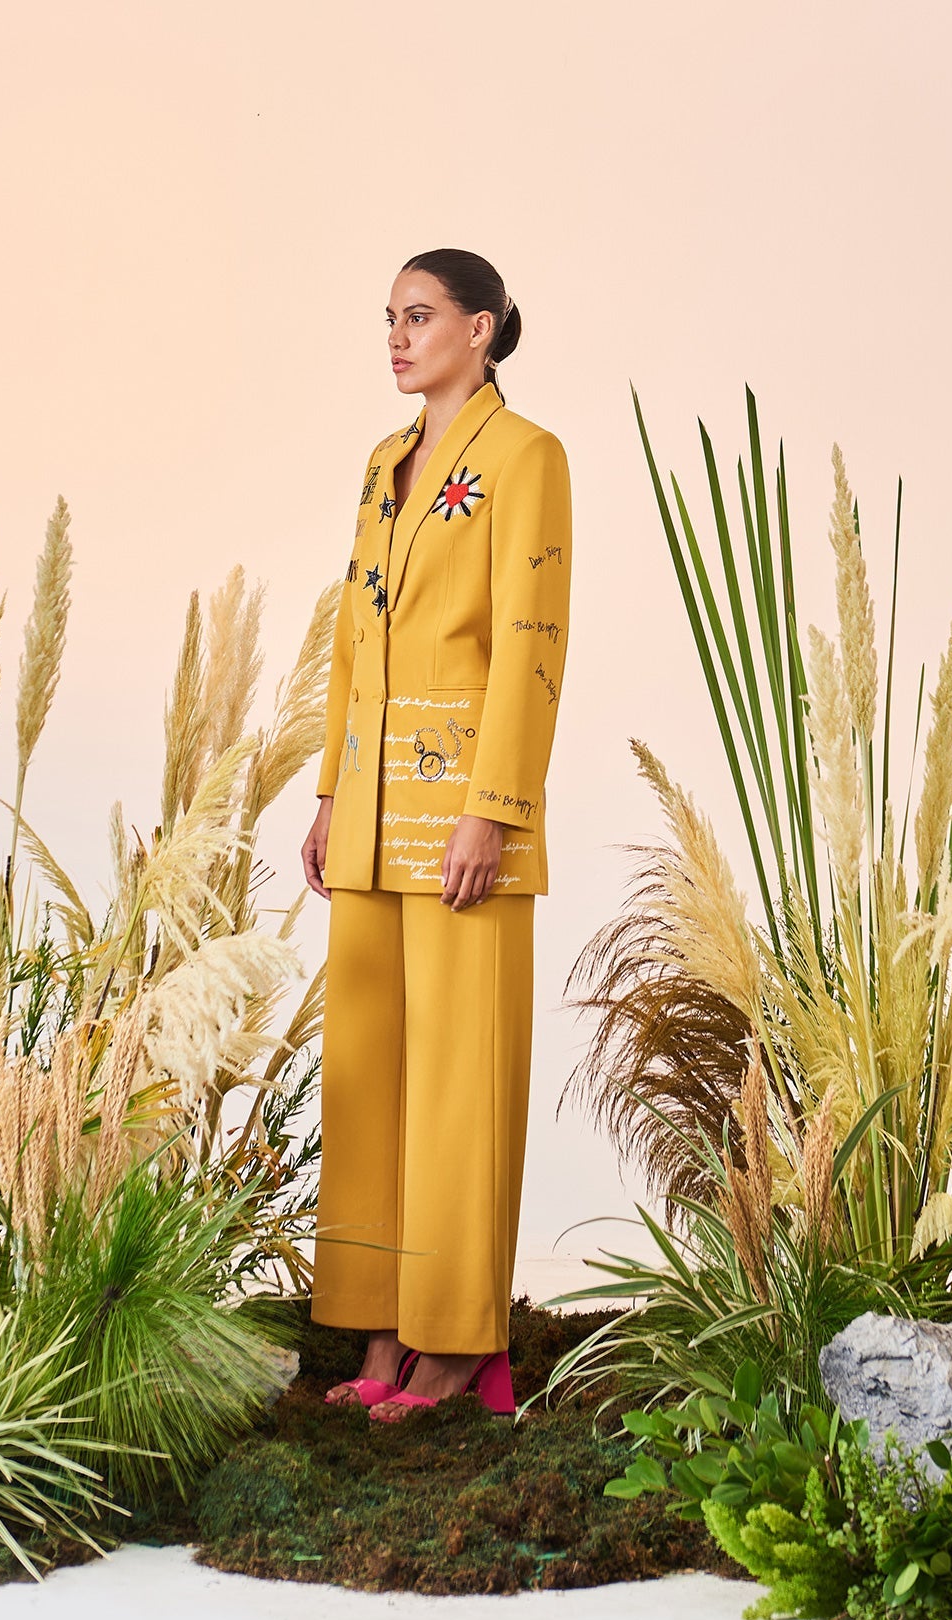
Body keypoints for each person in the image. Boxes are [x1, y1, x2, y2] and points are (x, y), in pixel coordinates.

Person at [300, 246, 572, 1423]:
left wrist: (493, 808)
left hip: (463, 814)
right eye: (390, 319)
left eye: (420, 317)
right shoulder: (383, 464)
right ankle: (380, 1327)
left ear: (483, 327)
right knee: (368, 1078)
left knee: (461, 1084)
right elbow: (351, 637)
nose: (398, 338)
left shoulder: (527, 457)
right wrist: (328, 792)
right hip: (367, 811)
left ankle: (455, 1347)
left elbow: (531, 641)